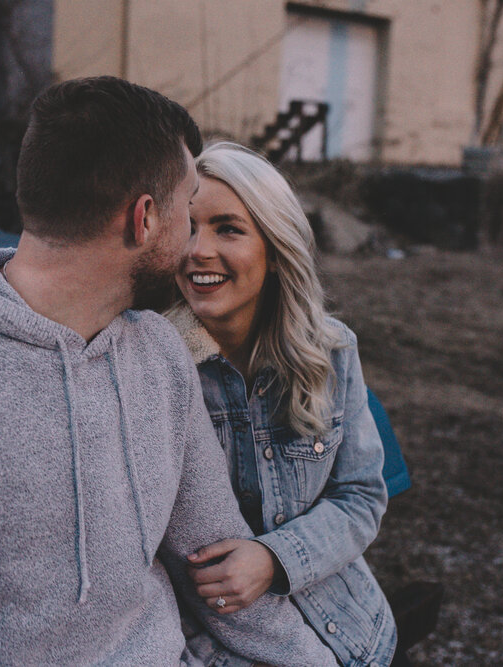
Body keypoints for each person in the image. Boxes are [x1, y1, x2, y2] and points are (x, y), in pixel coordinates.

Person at [0, 77, 336, 666]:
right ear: (143, 219)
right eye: (188, 212)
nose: (195, 242)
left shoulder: (160, 352)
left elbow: (216, 559)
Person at [166, 142, 399, 666]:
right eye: (187, 226)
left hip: (355, 635)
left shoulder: (330, 351)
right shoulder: (154, 368)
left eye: (228, 228)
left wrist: (276, 558)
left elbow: (361, 496)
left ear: (275, 249)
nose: (197, 250)